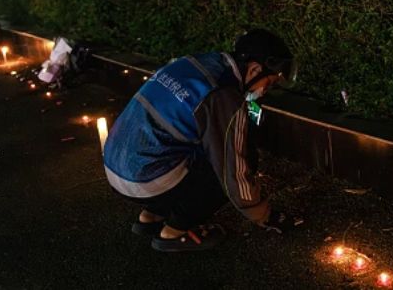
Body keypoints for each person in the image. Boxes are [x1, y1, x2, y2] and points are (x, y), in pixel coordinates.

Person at [103, 29, 296, 252]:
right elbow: (232, 168)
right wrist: (263, 214)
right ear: (254, 69)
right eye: (269, 83)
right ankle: (175, 232)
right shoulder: (224, 95)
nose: (264, 91)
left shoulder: (196, 63)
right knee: (240, 159)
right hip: (145, 180)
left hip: (116, 167)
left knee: (186, 144)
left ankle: (151, 216)